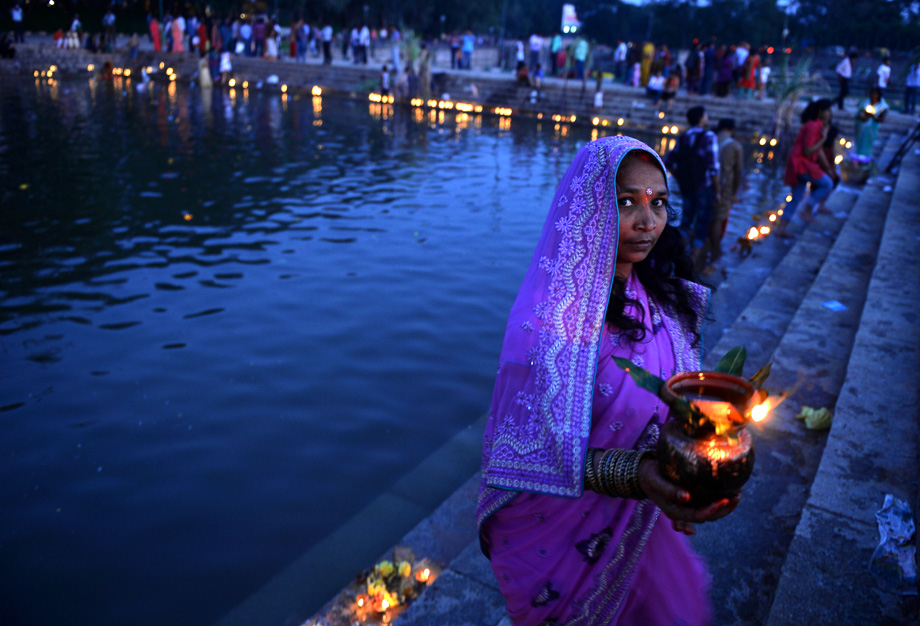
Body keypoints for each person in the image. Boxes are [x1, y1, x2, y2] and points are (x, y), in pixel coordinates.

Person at [478, 135, 736, 626]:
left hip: (642, 523)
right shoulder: (547, 325)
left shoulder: (656, 295)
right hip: (557, 541)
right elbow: (527, 455)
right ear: (589, 206)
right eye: (626, 203)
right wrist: (638, 475)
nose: (648, 223)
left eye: (658, 203)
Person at [665, 105, 720, 265]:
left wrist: (680, 178)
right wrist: (718, 191)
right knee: (702, 225)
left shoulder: (683, 137)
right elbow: (713, 168)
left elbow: (668, 161)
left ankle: (677, 259)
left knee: (685, 222)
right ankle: (693, 262)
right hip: (704, 188)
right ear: (701, 118)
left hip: (686, 187)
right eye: (705, 115)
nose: (707, 117)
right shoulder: (709, 136)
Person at [778, 99, 837, 237]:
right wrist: (823, 139)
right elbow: (808, 150)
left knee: (796, 197)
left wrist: (828, 167)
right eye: (827, 110)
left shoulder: (817, 125)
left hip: (800, 163)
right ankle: (807, 208)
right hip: (801, 164)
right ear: (821, 112)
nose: (829, 113)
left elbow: (817, 151)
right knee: (827, 184)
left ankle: (781, 228)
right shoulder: (812, 126)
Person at [709, 118, 743, 266]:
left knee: (704, 218)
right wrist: (735, 192)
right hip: (724, 188)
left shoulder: (710, 140)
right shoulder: (735, 146)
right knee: (718, 219)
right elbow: (738, 171)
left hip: (706, 185)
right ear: (732, 129)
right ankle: (715, 250)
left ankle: (700, 249)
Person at [854, 87, 889, 157]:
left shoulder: (883, 106)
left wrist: (873, 115)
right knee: (859, 142)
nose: (874, 96)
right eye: (873, 94)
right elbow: (858, 114)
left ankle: (866, 159)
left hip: (872, 129)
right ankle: (857, 157)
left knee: (868, 143)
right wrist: (863, 116)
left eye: (876, 94)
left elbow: (881, 119)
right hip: (861, 127)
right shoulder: (866, 102)